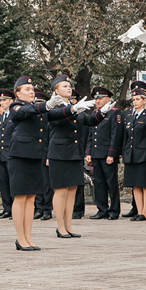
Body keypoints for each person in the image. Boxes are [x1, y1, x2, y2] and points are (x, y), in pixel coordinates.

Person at [47, 75, 112, 238]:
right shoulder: (53, 106)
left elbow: (89, 121)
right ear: (56, 90)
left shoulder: (75, 105)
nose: (68, 88)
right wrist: (73, 109)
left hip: (75, 153)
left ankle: (68, 225)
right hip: (60, 153)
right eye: (64, 86)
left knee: (72, 190)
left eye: (69, 86)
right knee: (61, 190)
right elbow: (57, 120)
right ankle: (60, 226)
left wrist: (102, 113)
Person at [8, 76, 61, 251]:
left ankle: (28, 237)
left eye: (32, 89)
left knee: (31, 198)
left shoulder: (36, 109)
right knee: (20, 197)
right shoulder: (15, 106)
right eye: (27, 89)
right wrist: (46, 105)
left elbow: (55, 114)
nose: (31, 92)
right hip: (20, 157)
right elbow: (25, 113)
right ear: (18, 93)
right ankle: (19, 237)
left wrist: (73, 109)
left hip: (35, 156)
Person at [122, 80, 146, 218]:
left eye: (138, 99)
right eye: (133, 99)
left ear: (144, 100)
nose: (135, 102)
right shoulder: (129, 116)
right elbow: (126, 138)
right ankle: (139, 212)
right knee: (135, 185)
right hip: (131, 155)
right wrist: (124, 155)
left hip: (144, 155)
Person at [85, 86, 121, 220]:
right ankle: (102, 209)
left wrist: (111, 154)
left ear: (108, 99)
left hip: (107, 154)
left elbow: (115, 135)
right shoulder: (95, 113)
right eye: (96, 99)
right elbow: (90, 134)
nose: (97, 101)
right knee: (99, 183)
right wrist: (89, 152)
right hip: (96, 153)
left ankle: (114, 210)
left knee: (111, 183)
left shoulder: (114, 113)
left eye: (100, 98)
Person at [0, 88, 15, 219]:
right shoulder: (0, 118)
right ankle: (7, 208)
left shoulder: (14, 115)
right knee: (4, 182)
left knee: (13, 182)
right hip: (1, 154)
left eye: (5, 100)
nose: (2, 102)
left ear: (11, 101)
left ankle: (15, 209)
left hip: (11, 153)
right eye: (0, 100)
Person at [34, 88, 53, 221]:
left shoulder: (47, 117)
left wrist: (47, 155)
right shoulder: (32, 116)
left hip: (45, 153)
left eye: (39, 103)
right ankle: (38, 208)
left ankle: (47, 209)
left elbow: (49, 138)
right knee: (36, 184)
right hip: (34, 154)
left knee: (46, 184)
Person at [70, 89, 86, 220]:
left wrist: (86, 152)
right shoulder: (61, 113)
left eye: (73, 99)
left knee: (77, 183)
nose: (71, 101)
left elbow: (86, 135)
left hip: (78, 151)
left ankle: (77, 209)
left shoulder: (81, 115)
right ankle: (68, 209)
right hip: (65, 152)